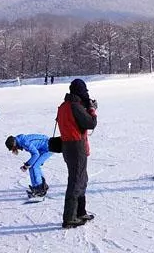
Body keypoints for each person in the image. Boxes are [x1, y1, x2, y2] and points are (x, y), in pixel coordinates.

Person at [56, 79, 97, 229]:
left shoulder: (64, 106)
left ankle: (80, 211)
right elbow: (90, 123)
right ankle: (70, 217)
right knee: (76, 180)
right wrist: (91, 110)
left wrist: (86, 108)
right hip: (76, 145)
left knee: (81, 178)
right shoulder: (75, 106)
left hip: (67, 145)